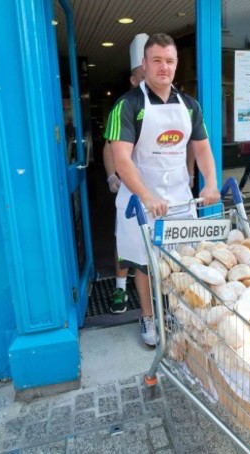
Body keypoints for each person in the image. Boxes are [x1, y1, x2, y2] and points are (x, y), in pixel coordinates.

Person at [105, 33, 220, 347]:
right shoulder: (127, 106)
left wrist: (210, 183)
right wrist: (147, 196)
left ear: (176, 64)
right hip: (140, 202)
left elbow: (202, 149)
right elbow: (121, 158)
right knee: (145, 263)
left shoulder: (190, 106)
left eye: (169, 61)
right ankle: (148, 315)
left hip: (180, 200)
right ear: (144, 64)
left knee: (183, 260)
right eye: (156, 60)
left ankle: (179, 314)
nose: (163, 67)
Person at [102, 33, 148, 314]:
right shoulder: (124, 107)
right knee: (125, 239)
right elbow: (109, 147)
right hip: (131, 187)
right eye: (144, 74)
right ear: (133, 80)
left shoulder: (175, 104)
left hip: (162, 189)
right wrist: (111, 176)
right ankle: (120, 289)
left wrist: (190, 175)